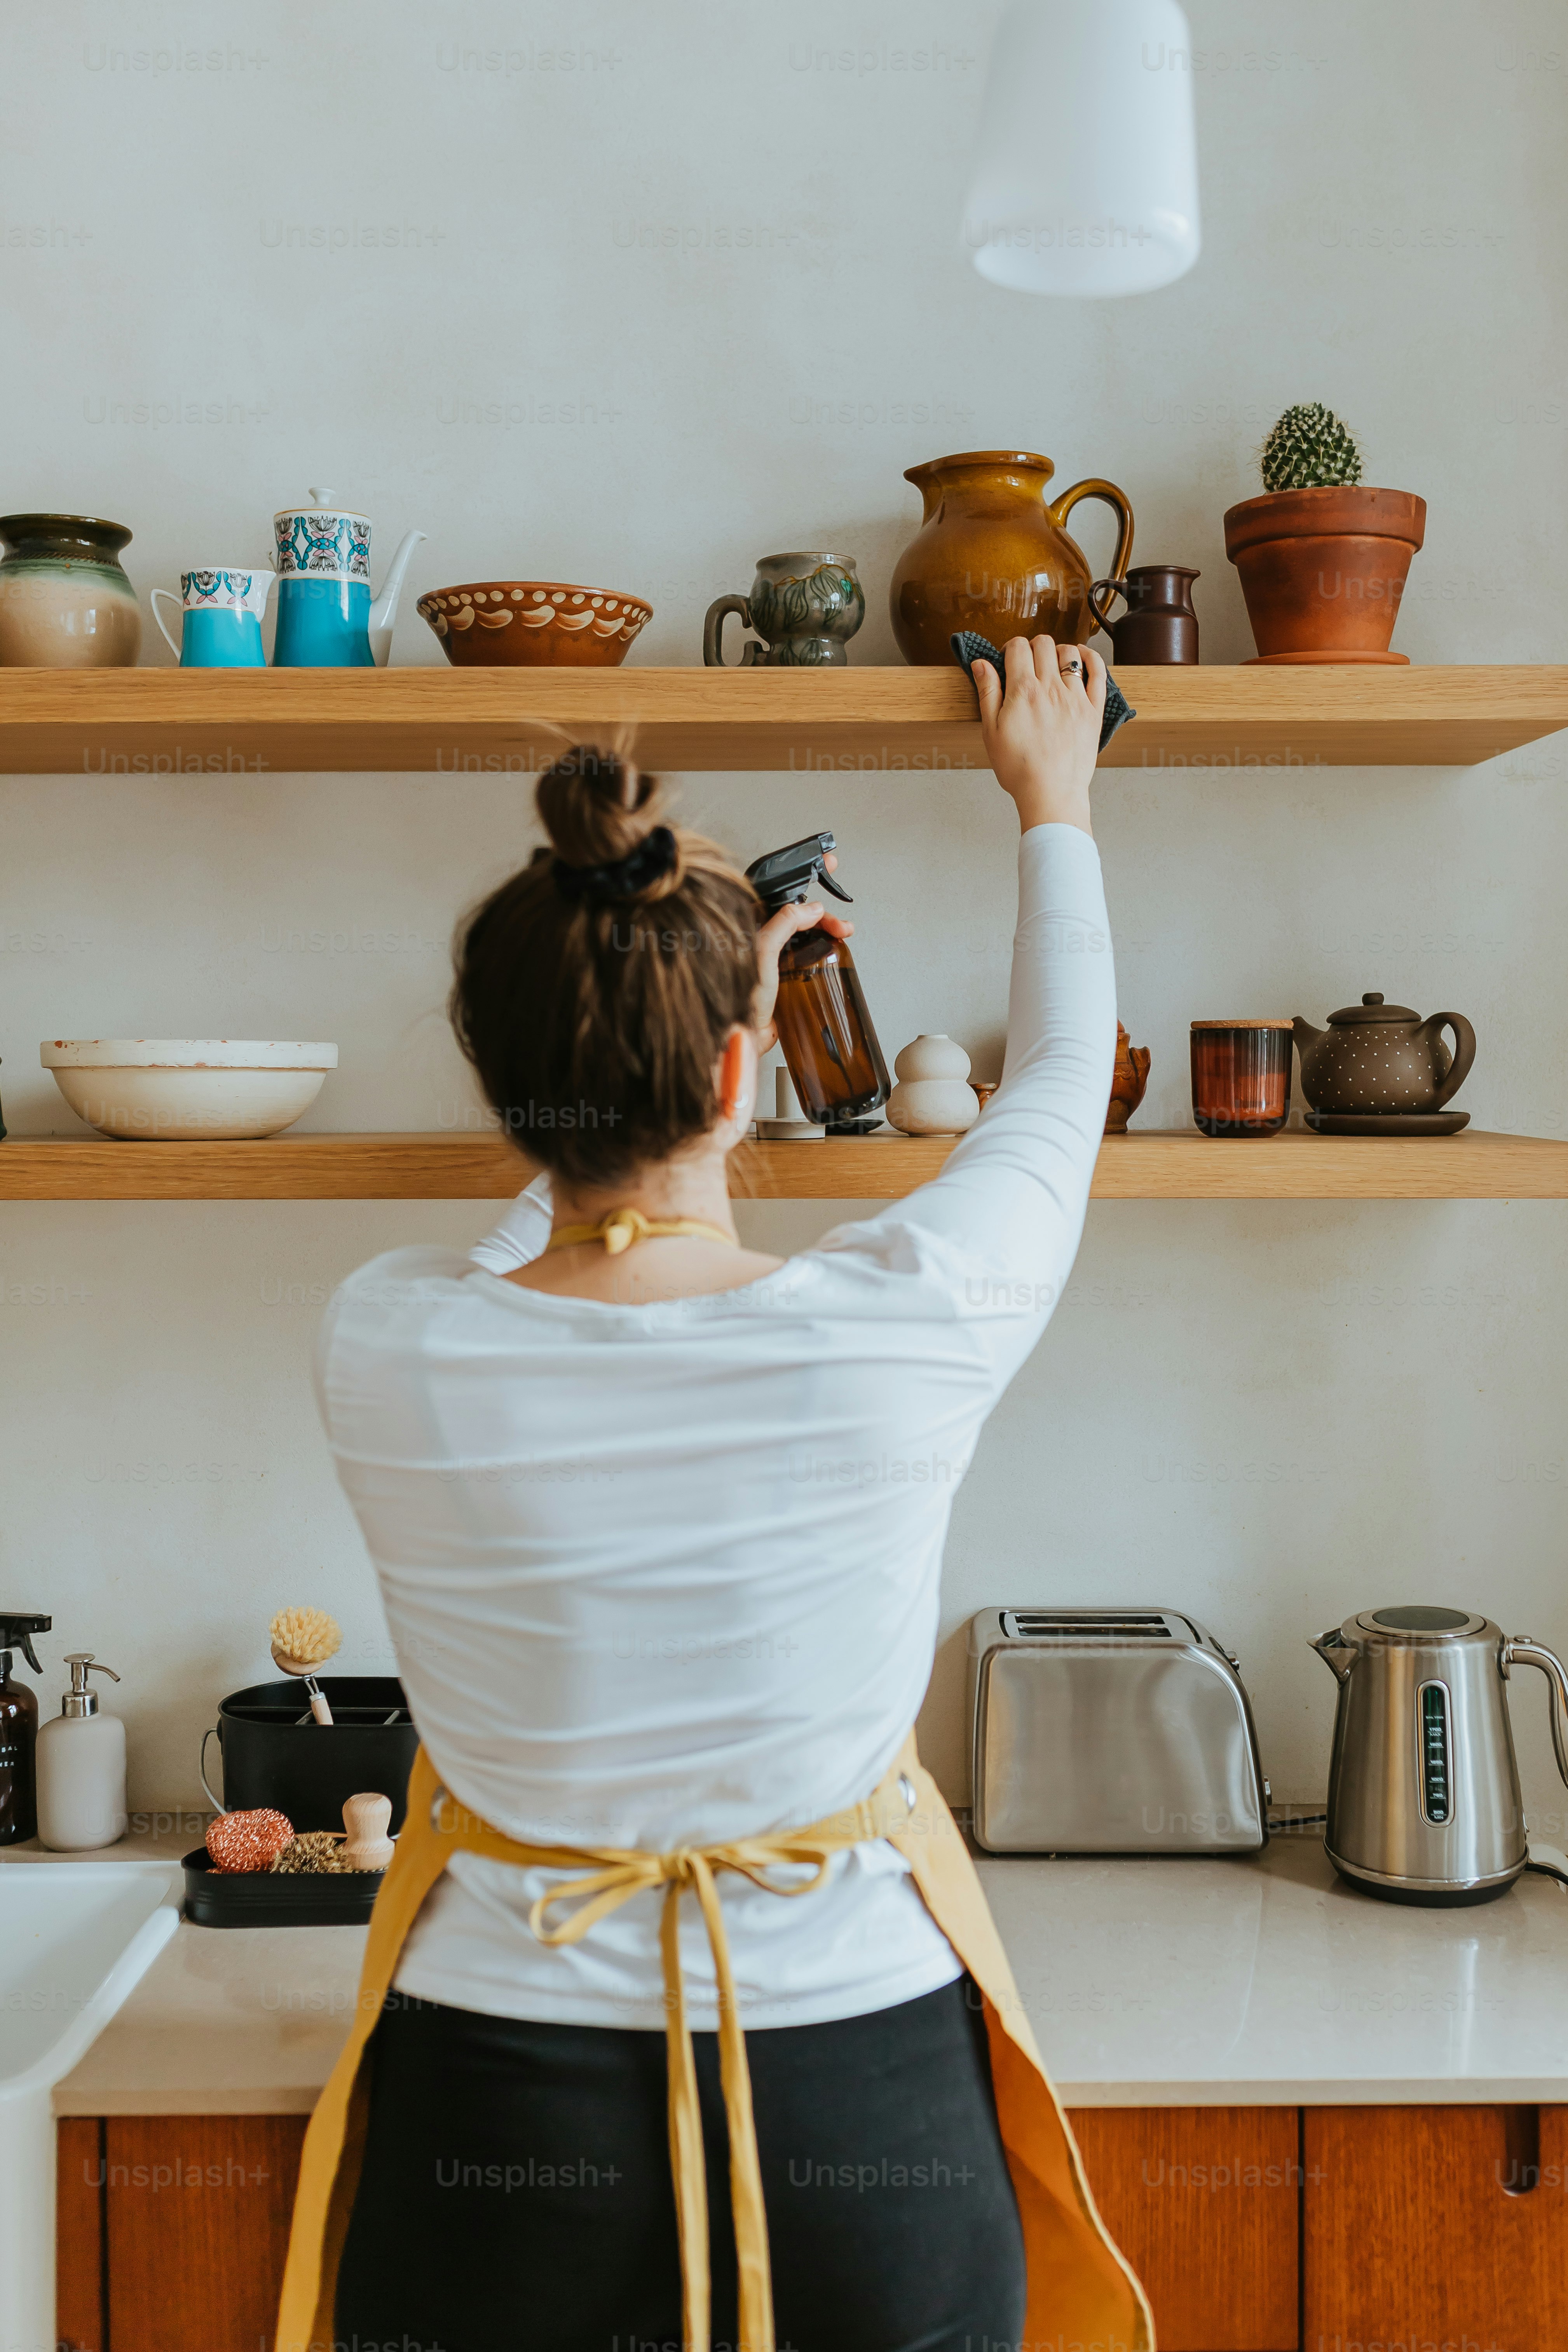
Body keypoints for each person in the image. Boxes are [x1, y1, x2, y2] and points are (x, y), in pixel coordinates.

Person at [277, 636, 1151, 2352]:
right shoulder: (902, 1315)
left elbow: (533, 1226)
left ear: (494, 1077)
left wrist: (656, 1041)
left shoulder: (388, 1338)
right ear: (747, 1077)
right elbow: (1058, 1085)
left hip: (494, 2111)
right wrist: (1054, 800)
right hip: (857, 2105)